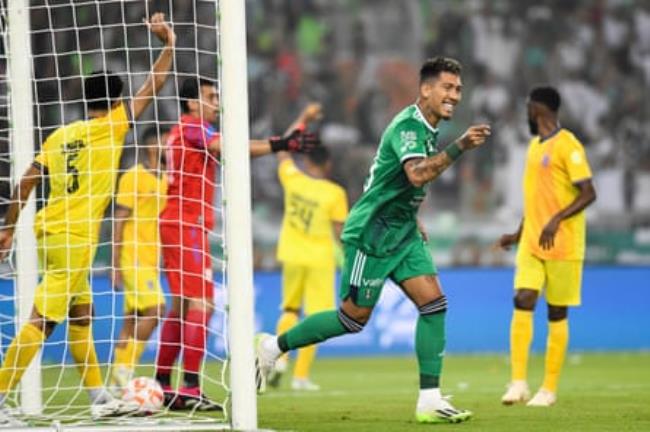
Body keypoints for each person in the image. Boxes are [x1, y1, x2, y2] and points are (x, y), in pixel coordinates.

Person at [256, 56, 491, 424]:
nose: (454, 96)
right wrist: (460, 146)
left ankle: (429, 399)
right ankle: (273, 347)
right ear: (425, 89)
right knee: (352, 320)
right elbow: (415, 175)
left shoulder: (428, 129)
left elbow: (397, 184)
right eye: (447, 87)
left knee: (434, 305)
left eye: (458, 89)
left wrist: (413, 217)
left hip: (403, 232)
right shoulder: (409, 128)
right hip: (372, 235)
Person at [0, 12, 175, 425]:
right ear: (115, 101)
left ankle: (98, 395)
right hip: (76, 238)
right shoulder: (112, 127)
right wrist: (168, 42)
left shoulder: (61, 135)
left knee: (83, 314)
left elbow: (26, 182)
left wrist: (8, 227)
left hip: (48, 232)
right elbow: (155, 84)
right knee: (42, 321)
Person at [155, 77, 319, 411]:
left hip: (179, 224)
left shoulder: (184, 132)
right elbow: (226, 147)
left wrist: (282, 142)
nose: (217, 102)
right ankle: (189, 388)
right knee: (202, 303)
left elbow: (245, 148)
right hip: (185, 225)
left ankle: (161, 384)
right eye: (211, 96)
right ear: (191, 103)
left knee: (183, 305)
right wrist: (279, 144)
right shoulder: (192, 127)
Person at [497, 86, 596, 407]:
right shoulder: (532, 147)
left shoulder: (569, 145)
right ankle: (518, 383)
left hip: (564, 243)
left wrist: (556, 220)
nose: (526, 113)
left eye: (528, 107)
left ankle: (548, 389)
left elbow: (588, 192)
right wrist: (516, 234)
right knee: (523, 298)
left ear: (537, 108)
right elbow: (535, 202)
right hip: (531, 241)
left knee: (556, 312)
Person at [268, 104, 349, 391]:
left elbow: (281, 147)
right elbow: (341, 232)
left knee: (290, 308)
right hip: (319, 258)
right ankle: (300, 377)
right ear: (327, 165)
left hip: (290, 252)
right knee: (317, 317)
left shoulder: (293, 179)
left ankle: (279, 359)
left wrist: (302, 118)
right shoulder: (334, 193)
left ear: (307, 161)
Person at [109, 126, 168, 393]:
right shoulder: (134, 177)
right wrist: (114, 263)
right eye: (166, 142)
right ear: (151, 145)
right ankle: (125, 369)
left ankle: (116, 384)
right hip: (132, 256)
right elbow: (119, 220)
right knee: (157, 311)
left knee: (131, 319)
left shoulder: (167, 179)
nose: (170, 147)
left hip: (151, 259)